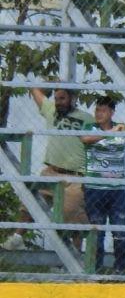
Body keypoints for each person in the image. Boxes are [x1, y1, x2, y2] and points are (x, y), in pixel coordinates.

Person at [2, 87, 93, 252]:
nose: (58, 102)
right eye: (56, 98)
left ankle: (75, 260)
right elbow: (35, 90)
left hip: (75, 177)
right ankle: (17, 238)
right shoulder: (51, 110)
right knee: (29, 203)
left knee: (73, 219)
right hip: (51, 171)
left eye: (62, 98)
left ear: (72, 98)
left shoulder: (87, 118)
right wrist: (50, 85)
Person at [80, 97, 125, 272]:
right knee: (97, 232)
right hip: (95, 189)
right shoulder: (91, 128)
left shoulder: (121, 129)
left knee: (120, 232)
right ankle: (95, 269)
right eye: (97, 110)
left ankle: (120, 270)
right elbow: (86, 139)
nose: (98, 114)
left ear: (111, 113)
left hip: (117, 191)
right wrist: (112, 131)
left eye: (103, 110)